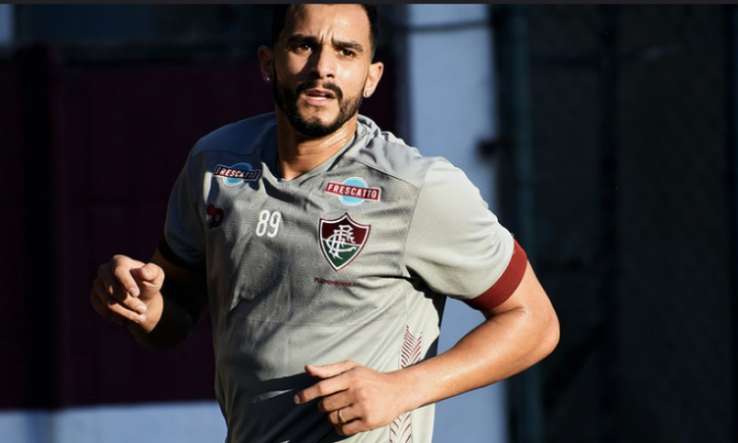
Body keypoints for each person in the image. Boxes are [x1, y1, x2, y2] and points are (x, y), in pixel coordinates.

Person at [89, 4, 560, 443]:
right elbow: (172, 316)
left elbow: (534, 323)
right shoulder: (215, 163)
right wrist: (142, 306)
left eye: (346, 51)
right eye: (303, 45)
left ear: (372, 76)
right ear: (267, 62)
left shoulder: (416, 188)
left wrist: (402, 389)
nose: (323, 67)